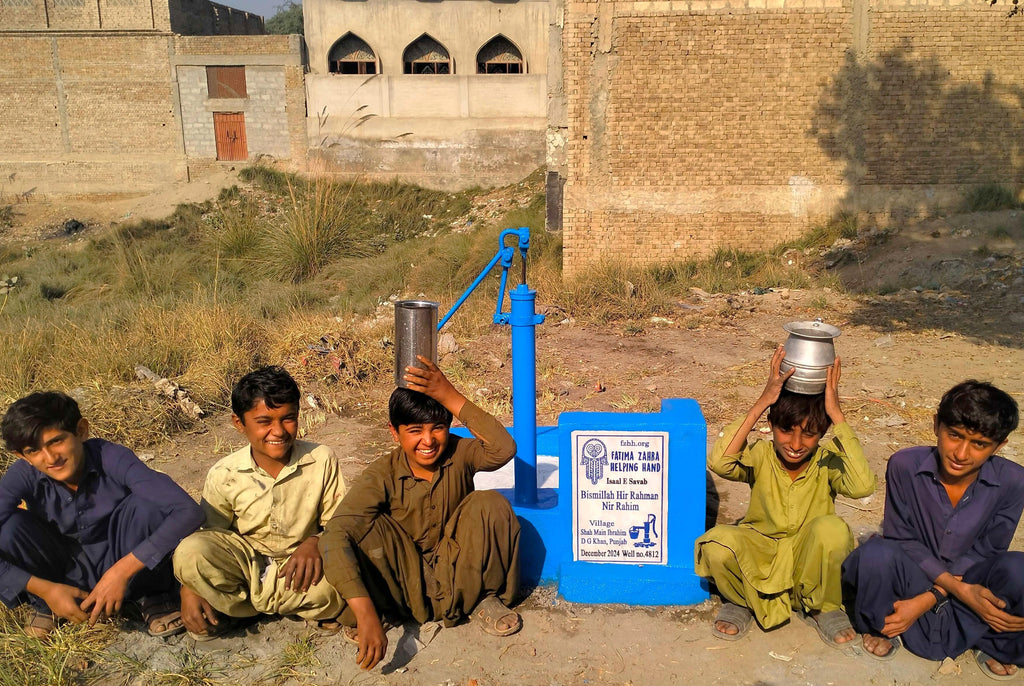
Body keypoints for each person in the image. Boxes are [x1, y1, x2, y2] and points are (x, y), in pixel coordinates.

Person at [319, 356, 521, 671]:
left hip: (458, 572)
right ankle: (377, 614)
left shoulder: (460, 452)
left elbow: (503, 448)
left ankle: (483, 598)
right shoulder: (382, 473)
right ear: (394, 432)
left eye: (437, 428)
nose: (428, 441)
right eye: (415, 430)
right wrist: (364, 612)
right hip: (404, 585)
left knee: (490, 504)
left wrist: (449, 396)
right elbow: (336, 534)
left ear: (448, 427)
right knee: (361, 527)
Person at [842, 380, 1024, 680]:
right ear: (936, 425)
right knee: (874, 554)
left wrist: (936, 597)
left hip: (973, 583)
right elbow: (903, 539)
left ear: (999, 445)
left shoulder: (1014, 482)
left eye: (979, 444)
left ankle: (993, 642)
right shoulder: (904, 464)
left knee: (1018, 569)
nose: (962, 453)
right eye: (954, 436)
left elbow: (988, 552)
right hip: (915, 578)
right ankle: (883, 626)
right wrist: (938, 593)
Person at [694, 346, 875, 647]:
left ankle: (822, 607)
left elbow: (862, 487)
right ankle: (741, 600)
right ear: (772, 426)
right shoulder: (761, 455)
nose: (795, 443)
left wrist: (837, 415)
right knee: (717, 543)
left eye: (809, 434)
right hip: (761, 553)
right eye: (786, 431)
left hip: (807, 560)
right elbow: (720, 462)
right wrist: (762, 401)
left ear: (822, 434)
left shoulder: (826, 460)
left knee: (831, 529)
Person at [0, 391, 202, 638]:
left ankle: (153, 595)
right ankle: (47, 606)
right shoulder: (22, 475)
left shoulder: (111, 457)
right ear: (22, 456)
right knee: (10, 526)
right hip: (64, 571)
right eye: (34, 450)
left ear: (81, 431)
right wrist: (44, 589)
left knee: (147, 503)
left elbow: (188, 510)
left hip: (127, 563)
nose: (50, 458)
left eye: (56, 441)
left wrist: (121, 571)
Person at [173, 366, 346, 640]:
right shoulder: (224, 473)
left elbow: (339, 523)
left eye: (288, 419)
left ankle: (238, 610)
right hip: (249, 568)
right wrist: (189, 588)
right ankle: (284, 606)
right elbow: (212, 538)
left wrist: (315, 541)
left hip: (302, 567)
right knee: (189, 552)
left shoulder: (322, 459)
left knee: (337, 584)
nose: (278, 431)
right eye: (264, 421)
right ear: (238, 423)